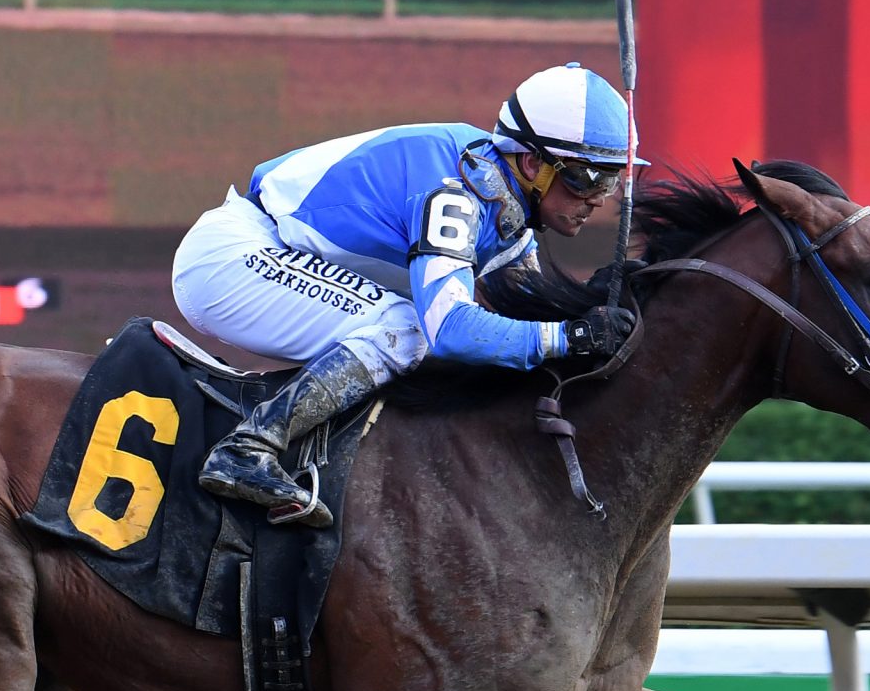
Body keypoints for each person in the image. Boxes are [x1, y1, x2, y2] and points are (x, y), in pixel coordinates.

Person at [172, 61, 644, 528]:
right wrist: (570, 337)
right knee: (406, 328)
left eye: (612, 181)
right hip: (234, 259)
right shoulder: (454, 193)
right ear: (532, 163)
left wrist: (590, 304)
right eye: (586, 178)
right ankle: (249, 447)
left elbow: (522, 314)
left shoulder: (505, 213)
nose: (598, 199)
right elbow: (452, 330)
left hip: (266, 255)